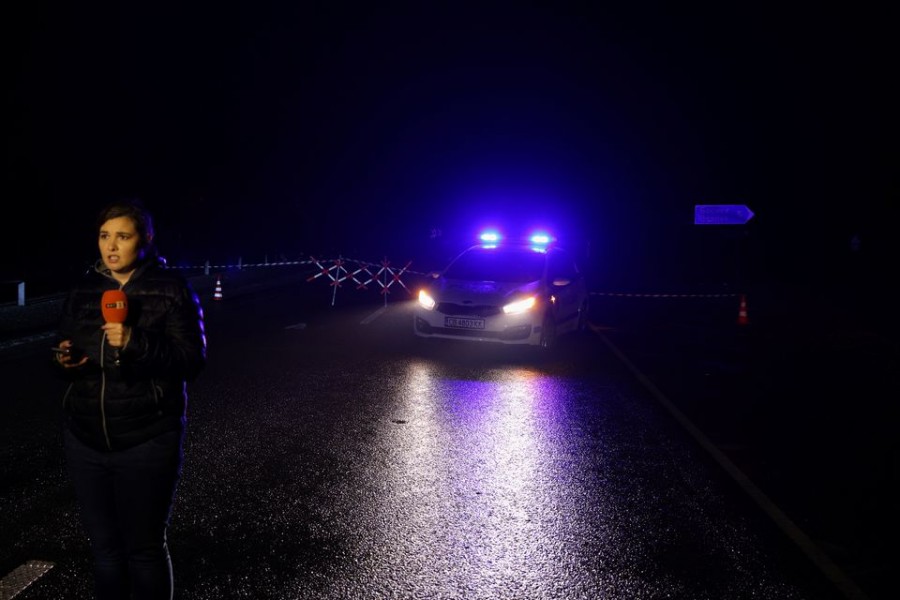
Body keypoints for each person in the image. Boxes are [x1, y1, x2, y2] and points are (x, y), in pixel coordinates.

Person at [52, 198, 207, 599]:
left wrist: (137, 342)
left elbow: (192, 360)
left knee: (143, 549)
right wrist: (64, 358)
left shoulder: (171, 289)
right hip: (85, 439)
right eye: (105, 236)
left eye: (123, 236)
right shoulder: (85, 289)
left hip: (148, 438)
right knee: (104, 552)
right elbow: (62, 345)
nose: (112, 246)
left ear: (146, 239)